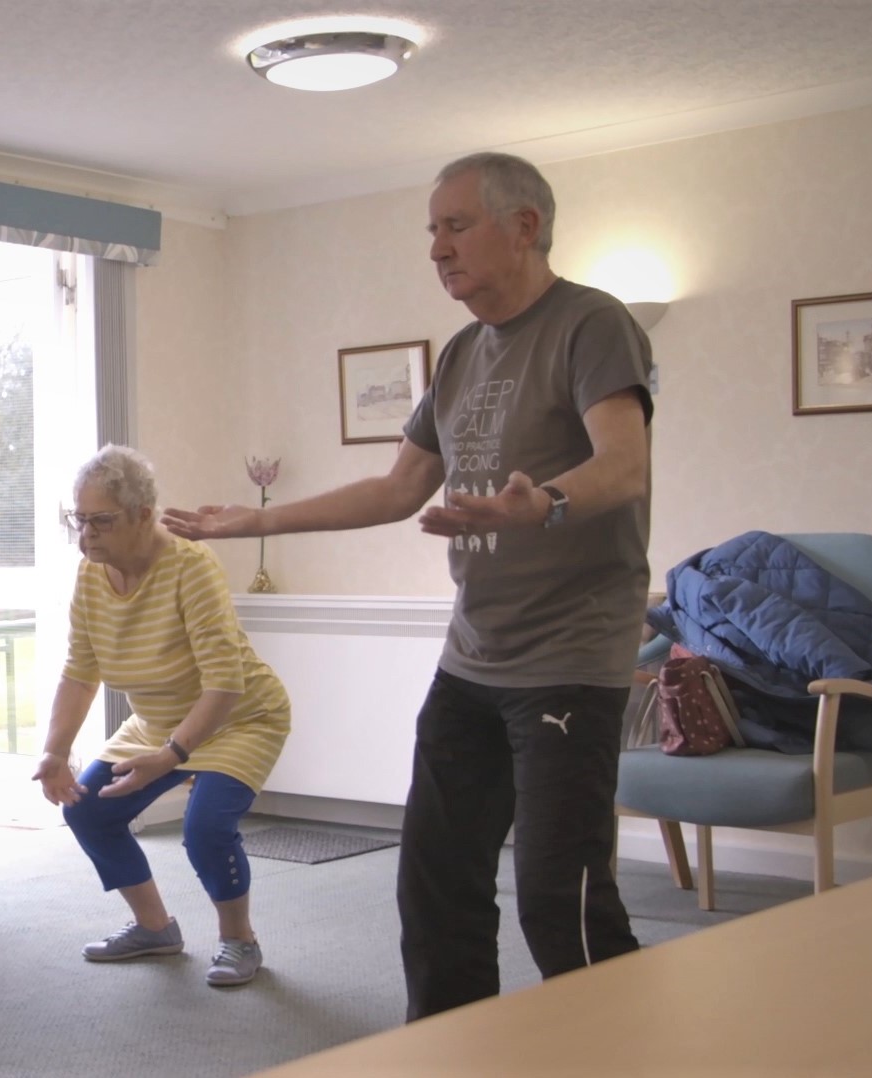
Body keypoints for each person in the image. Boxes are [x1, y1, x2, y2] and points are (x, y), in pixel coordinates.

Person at [163, 151, 653, 1019]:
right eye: (432, 229)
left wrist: (540, 502)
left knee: (559, 902)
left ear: (525, 227)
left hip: (571, 662)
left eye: (455, 225)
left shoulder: (592, 324)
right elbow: (396, 489)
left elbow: (625, 464)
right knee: (434, 889)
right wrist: (255, 522)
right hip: (472, 665)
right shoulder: (463, 353)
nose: (437, 248)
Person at [32, 444, 291, 987]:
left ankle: (239, 941)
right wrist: (55, 751)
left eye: (101, 521)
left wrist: (173, 755)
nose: (87, 536)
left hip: (239, 717)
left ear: (143, 515)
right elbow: (80, 672)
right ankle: (154, 928)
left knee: (206, 829)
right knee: (87, 811)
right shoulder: (90, 575)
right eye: (79, 521)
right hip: (155, 722)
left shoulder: (190, 567)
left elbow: (225, 682)